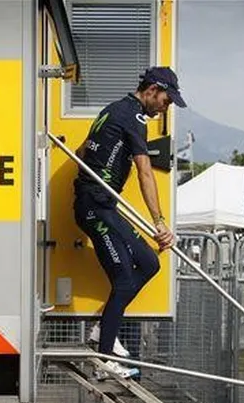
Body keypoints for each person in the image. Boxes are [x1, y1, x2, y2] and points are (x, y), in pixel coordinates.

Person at [73, 67, 187, 379]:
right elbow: (145, 172)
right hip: (95, 207)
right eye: (166, 100)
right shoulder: (134, 117)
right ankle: (103, 359)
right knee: (124, 282)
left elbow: (82, 151)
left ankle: (103, 330)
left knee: (149, 262)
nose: (165, 107)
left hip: (100, 204)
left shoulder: (112, 110)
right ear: (151, 90)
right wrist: (159, 222)